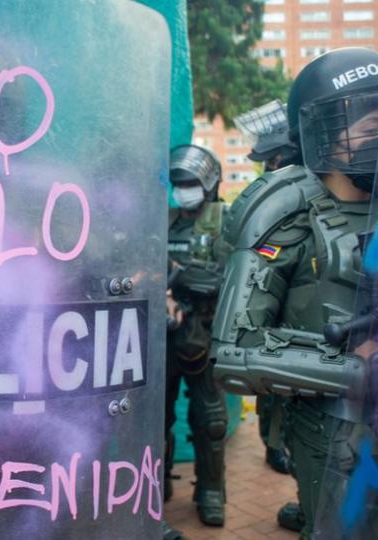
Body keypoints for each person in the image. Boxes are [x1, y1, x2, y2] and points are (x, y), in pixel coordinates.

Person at [209, 47, 378, 539]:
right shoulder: (285, 210)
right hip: (334, 426)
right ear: (325, 134)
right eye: (371, 130)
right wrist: (358, 368)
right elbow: (234, 350)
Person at [234, 100, 298, 478]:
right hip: (271, 293)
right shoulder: (273, 194)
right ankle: (274, 445)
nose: (267, 166)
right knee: (271, 380)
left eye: (272, 159)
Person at [164, 144, 227, 527]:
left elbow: (220, 278)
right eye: (177, 183)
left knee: (211, 419)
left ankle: (211, 491)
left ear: (208, 184)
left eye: (189, 182)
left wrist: (175, 271)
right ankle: (155, 484)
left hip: (204, 331)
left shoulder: (225, 220)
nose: (183, 189)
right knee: (156, 416)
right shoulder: (165, 219)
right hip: (165, 332)